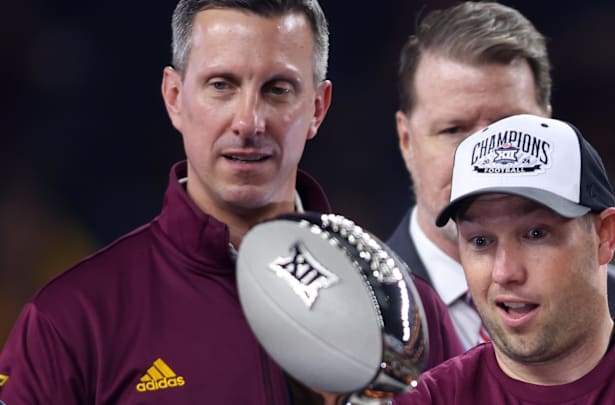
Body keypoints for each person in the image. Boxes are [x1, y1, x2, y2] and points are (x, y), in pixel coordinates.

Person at [0, 1, 461, 403]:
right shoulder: (73, 320)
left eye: (278, 89)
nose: (249, 121)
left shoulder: (408, 321)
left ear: (318, 108)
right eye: (222, 85)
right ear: (175, 98)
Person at [386, 0, 615, 350]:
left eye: (511, 128)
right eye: (454, 130)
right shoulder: (351, 313)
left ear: (551, 129)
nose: (482, 158)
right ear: (406, 140)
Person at [393, 113, 615, 404]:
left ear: (605, 235)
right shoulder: (430, 399)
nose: (505, 272)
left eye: (536, 234)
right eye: (481, 241)